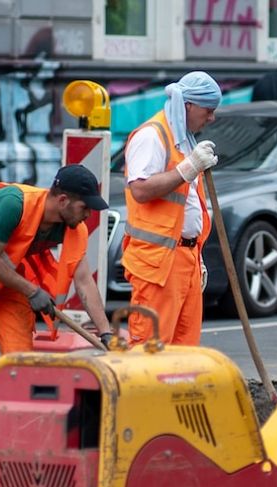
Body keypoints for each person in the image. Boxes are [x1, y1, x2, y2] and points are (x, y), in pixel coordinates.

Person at [0, 164, 116, 463]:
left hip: (8, 271)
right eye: (85, 207)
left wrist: (105, 332)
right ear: (63, 201)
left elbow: (84, 282)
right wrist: (31, 292)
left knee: (21, 355)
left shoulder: (73, 228)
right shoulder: (14, 204)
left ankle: (14, 429)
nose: (88, 215)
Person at [122, 71, 222, 347]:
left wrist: (197, 257)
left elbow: (188, 204)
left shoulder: (184, 140)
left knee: (184, 350)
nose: (211, 118)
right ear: (188, 105)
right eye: (208, 110)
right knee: (150, 351)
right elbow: (140, 190)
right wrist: (189, 168)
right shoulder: (152, 136)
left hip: (185, 259)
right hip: (158, 264)